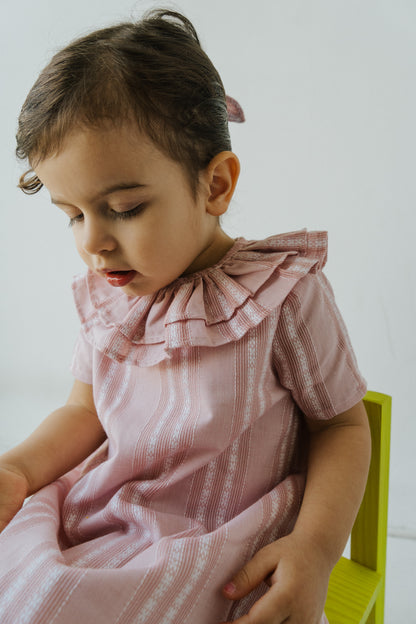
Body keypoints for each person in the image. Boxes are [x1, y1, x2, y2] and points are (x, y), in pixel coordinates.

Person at [0, 9, 371, 624]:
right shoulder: (109, 298)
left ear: (215, 185)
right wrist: (17, 466)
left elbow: (341, 429)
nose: (94, 242)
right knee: (27, 582)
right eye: (72, 214)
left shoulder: (284, 296)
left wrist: (316, 548)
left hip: (217, 540)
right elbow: (82, 412)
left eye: (124, 207)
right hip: (110, 514)